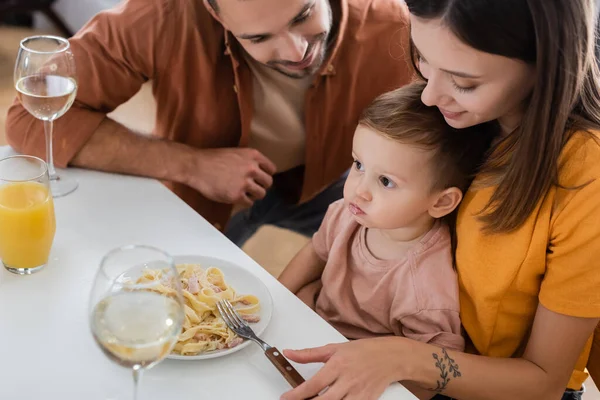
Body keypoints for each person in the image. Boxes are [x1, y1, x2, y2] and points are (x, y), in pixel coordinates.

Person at [279, 1, 600, 400]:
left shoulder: (586, 179)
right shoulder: (450, 115)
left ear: (547, 64)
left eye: (464, 82)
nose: (429, 96)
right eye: (423, 59)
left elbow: (544, 382)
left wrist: (401, 357)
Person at [4, 0, 412, 246]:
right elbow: (29, 117)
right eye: (258, 38)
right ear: (214, 14)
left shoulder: (398, 26)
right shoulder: (161, 17)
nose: (296, 50)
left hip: (335, 185)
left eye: (303, 15)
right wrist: (191, 164)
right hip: (209, 193)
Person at [279, 82, 496, 399]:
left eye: (385, 181)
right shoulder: (347, 213)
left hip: (362, 381)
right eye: (358, 165)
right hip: (312, 337)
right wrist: (278, 299)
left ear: (440, 202)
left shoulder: (426, 285)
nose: (359, 190)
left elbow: (427, 382)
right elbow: (316, 250)